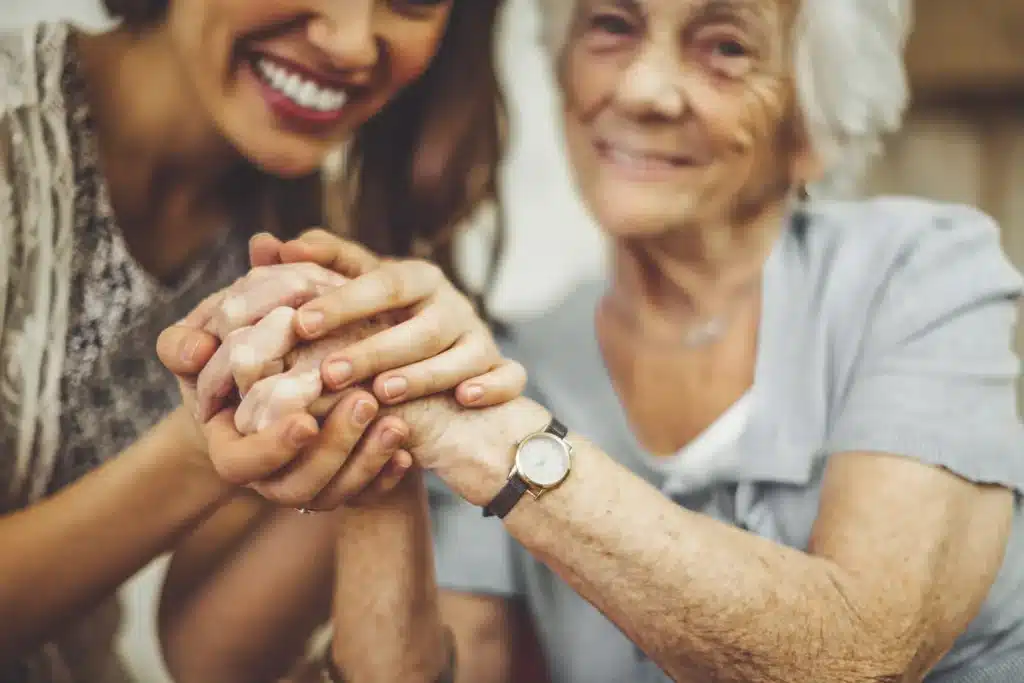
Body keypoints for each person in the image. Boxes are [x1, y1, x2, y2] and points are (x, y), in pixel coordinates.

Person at [168, 0, 1024, 681]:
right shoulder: (511, 354)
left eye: (725, 46)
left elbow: (860, 658)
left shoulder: (919, 270)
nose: (646, 90)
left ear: (812, 122)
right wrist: (379, 407)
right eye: (612, 26)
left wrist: (496, 439)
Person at [0, 1, 525, 681]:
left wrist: (379, 420)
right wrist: (201, 451)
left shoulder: (314, 238)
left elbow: (210, 656)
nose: (351, 44)